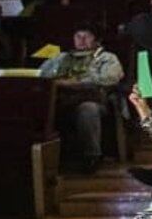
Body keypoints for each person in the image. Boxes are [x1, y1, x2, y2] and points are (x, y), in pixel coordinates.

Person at [36, 24, 123, 169]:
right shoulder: (62, 57)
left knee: (87, 109)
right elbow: (41, 75)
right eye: (78, 36)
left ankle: (92, 157)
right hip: (58, 100)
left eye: (86, 36)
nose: (81, 40)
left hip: (93, 99)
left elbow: (110, 79)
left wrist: (71, 83)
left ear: (96, 41)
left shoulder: (106, 57)